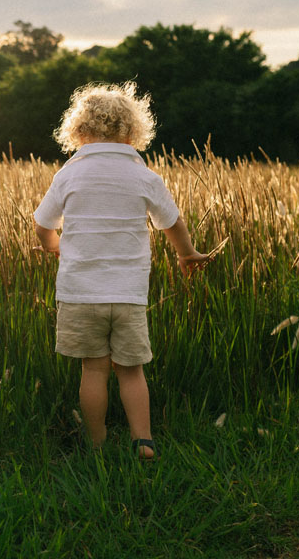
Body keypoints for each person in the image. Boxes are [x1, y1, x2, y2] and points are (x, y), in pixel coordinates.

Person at [32, 81, 208, 459]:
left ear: (77, 132)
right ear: (133, 132)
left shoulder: (69, 175)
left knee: (93, 371)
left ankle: (95, 444)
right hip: (128, 294)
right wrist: (187, 254)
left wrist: (53, 245)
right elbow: (172, 223)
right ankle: (143, 440)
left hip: (81, 293)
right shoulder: (143, 176)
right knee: (131, 371)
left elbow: (43, 223)